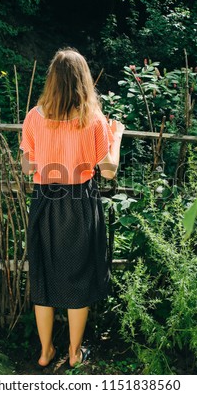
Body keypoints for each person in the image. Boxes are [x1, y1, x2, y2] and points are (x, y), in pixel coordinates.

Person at [20, 48, 124, 368]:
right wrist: (117, 135)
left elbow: (27, 166)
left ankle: (45, 351)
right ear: (84, 82)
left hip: (45, 202)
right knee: (78, 278)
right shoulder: (93, 120)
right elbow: (108, 170)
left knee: (44, 276)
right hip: (80, 204)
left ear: (52, 80)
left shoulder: (34, 117)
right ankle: (75, 353)